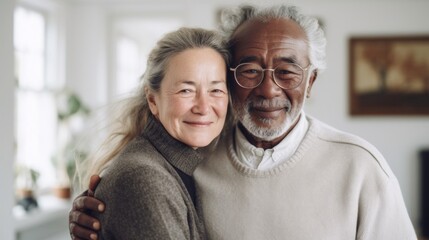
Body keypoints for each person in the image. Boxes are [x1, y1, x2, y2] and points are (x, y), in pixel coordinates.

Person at [69, 4, 417, 240]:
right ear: (231, 79)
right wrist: (101, 214)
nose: (268, 88)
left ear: (310, 82)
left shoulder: (362, 168)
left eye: (287, 71)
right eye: (250, 70)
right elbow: (142, 194)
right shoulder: (195, 158)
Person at [70, 27, 230, 240]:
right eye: (186, 90)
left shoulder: (191, 164)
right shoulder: (145, 180)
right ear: (153, 100)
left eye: (216, 90)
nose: (203, 107)